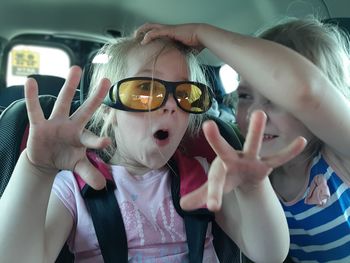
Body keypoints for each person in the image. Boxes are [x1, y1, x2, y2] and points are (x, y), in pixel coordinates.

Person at [0, 32, 305, 263]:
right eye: (144, 91)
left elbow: (269, 254)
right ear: (108, 110)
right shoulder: (72, 189)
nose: (171, 105)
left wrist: (254, 190)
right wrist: (37, 170)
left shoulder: (204, 176)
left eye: (187, 95)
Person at [136, 16, 350, 262]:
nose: (254, 113)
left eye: (276, 98)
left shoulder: (341, 156)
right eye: (246, 95)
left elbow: (306, 91)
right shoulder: (249, 174)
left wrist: (201, 32)